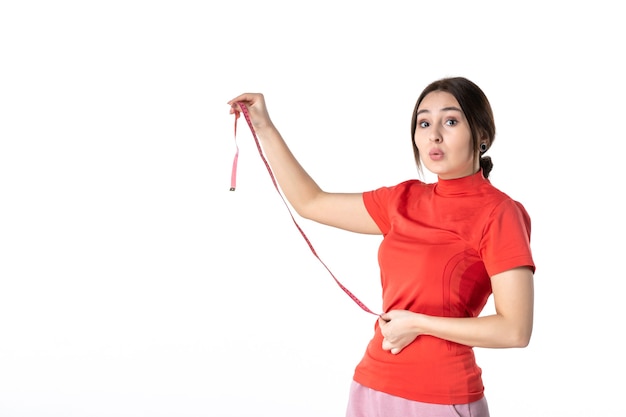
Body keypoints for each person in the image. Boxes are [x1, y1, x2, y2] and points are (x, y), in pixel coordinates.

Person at [227, 77, 535, 417]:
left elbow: (515, 330)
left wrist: (417, 324)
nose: (434, 134)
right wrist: (264, 125)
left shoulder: (499, 213)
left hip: (442, 398)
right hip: (372, 386)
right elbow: (310, 202)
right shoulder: (402, 199)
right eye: (423, 122)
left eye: (450, 121)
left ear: (483, 136)